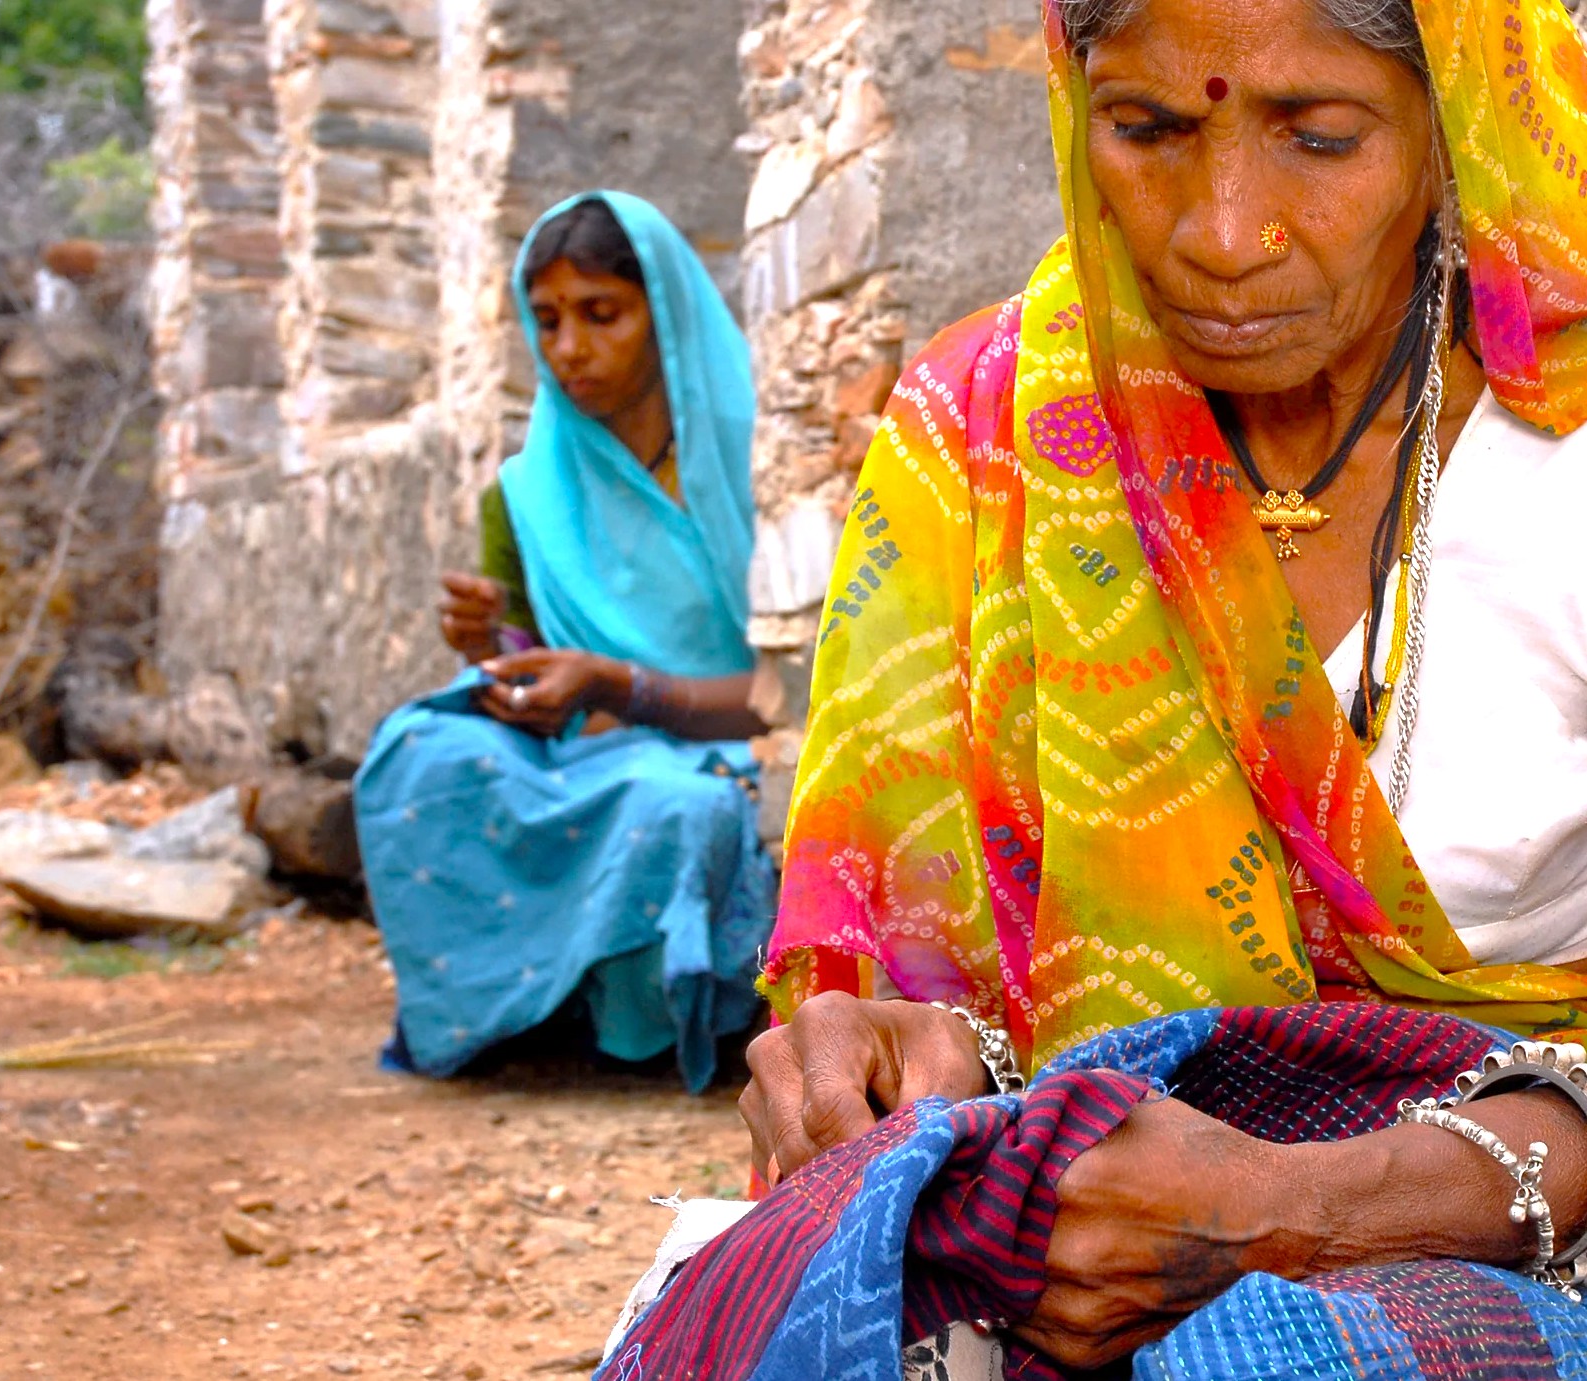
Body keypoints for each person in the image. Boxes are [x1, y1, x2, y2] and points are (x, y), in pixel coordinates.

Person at [718, 0, 1587, 1371]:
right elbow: (902, 955)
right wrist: (888, 1051)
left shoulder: (1569, 446)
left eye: (1319, 136)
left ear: (1451, 118)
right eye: (1147, 130)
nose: (1221, 232)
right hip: (1069, 1230)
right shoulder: (982, 434)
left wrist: (1308, 1209)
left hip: (1522, 1228)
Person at [354, 192, 775, 1094]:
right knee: (417, 752)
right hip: (597, 753)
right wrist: (492, 653)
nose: (568, 349)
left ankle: (640, 1025)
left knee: (677, 811)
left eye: (600, 314)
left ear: (661, 311)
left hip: (737, 740)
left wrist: (619, 684)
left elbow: (797, 685)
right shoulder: (524, 492)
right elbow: (539, 675)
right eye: (545, 321)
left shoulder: (761, 461)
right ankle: (508, 1017)